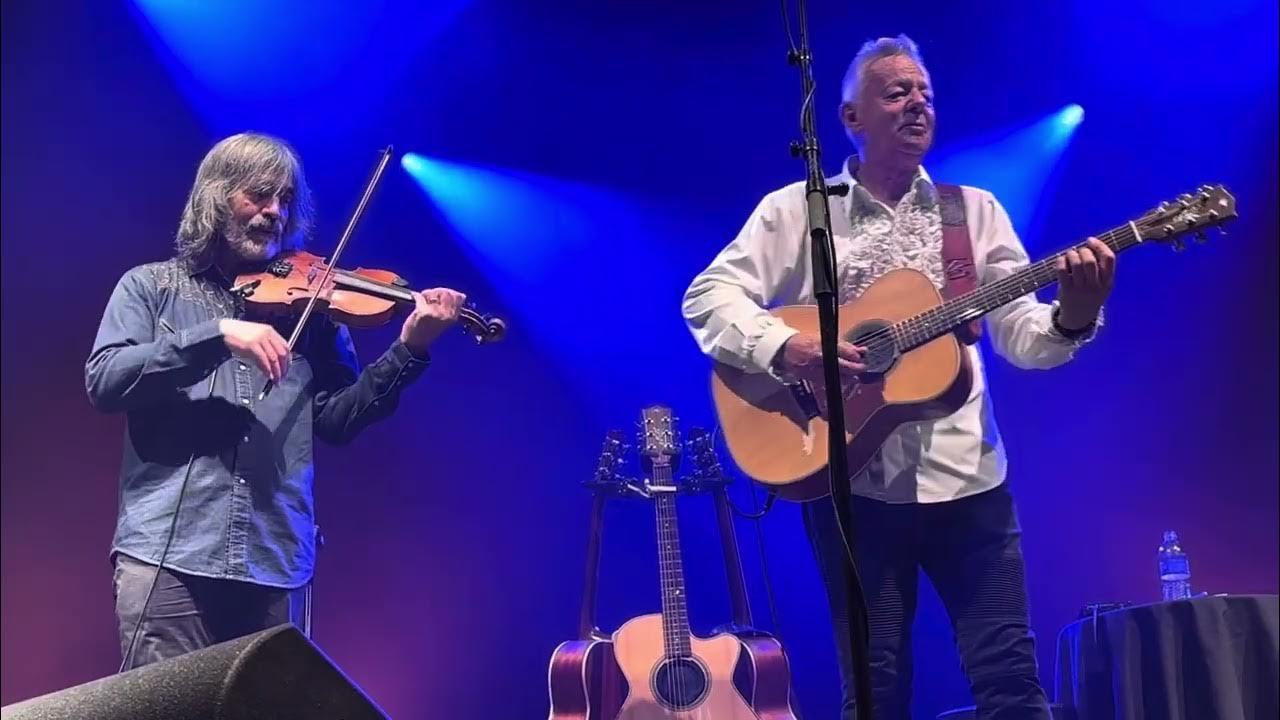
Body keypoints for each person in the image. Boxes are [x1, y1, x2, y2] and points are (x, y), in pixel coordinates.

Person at [681, 36, 1116, 719]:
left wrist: (1075, 314)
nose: (919, 103)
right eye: (897, 92)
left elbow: (1023, 340)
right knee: (875, 687)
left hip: (971, 480)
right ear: (851, 119)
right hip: (852, 482)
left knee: (1009, 678)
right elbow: (708, 297)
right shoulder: (799, 211)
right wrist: (785, 348)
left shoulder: (971, 213)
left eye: (926, 93)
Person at [85, 132, 466, 670]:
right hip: (169, 558)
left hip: (274, 560)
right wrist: (218, 335)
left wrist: (410, 348)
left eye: (285, 200)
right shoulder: (152, 288)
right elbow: (105, 380)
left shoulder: (312, 313)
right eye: (259, 195)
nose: (274, 212)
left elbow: (336, 420)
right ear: (216, 198)